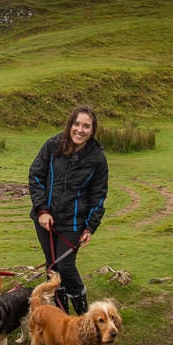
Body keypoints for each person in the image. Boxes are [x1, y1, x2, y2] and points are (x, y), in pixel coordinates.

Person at [28, 105, 109, 314]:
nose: (80, 130)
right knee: (52, 268)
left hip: (73, 223)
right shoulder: (53, 146)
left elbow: (98, 196)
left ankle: (83, 314)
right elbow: (35, 177)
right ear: (70, 124)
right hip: (45, 220)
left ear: (93, 130)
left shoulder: (97, 159)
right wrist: (42, 211)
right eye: (77, 124)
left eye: (86, 126)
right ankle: (61, 315)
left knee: (65, 267)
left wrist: (90, 227)